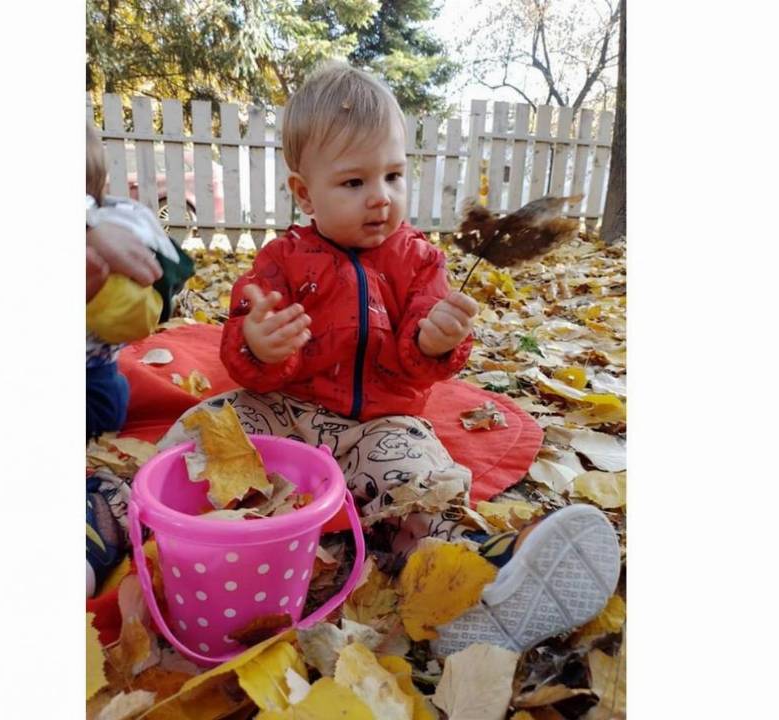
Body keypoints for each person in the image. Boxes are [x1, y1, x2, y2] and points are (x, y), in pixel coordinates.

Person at [160, 62, 619, 646]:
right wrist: (259, 344)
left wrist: (435, 341)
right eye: (354, 183)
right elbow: (242, 345)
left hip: (381, 424)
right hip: (286, 412)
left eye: (394, 176)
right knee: (207, 430)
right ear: (305, 193)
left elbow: (422, 358)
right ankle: (120, 521)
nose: (380, 197)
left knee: (421, 481)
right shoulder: (282, 261)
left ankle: (471, 577)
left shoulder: (418, 261)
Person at [85, 120, 194, 596]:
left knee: (108, 405)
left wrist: (143, 269)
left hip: (93, 368)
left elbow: (175, 269)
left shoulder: (121, 219)